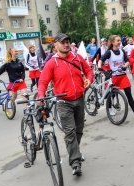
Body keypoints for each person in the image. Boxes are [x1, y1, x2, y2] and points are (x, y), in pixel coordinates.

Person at [38, 33, 94, 176]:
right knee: (70, 132)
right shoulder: (52, 63)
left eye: (68, 41)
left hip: (79, 99)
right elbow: (43, 82)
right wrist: (41, 97)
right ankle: (75, 163)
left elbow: (88, 70)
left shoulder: (77, 58)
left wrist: (89, 79)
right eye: (63, 42)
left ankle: (75, 151)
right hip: (64, 102)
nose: (66, 44)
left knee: (79, 130)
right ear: (55, 45)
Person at [98, 35, 134, 119]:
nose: (119, 42)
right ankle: (110, 108)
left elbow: (128, 61)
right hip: (114, 76)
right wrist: (100, 67)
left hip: (122, 76)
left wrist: (125, 66)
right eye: (117, 40)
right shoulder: (109, 52)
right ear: (112, 42)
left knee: (129, 94)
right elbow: (101, 60)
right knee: (112, 95)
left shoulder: (122, 51)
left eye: (119, 40)